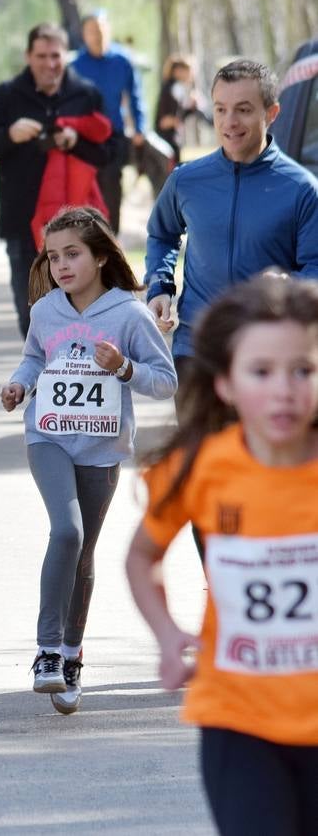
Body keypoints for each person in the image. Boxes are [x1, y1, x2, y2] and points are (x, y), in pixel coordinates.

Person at [127, 274, 318, 835]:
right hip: (238, 717)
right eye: (261, 372)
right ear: (226, 384)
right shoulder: (201, 467)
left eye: (303, 370)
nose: (283, 389)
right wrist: (166, 636)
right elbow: (142, 557)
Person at [0, 206, 176, 714]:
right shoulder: (46, 310)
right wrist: (19, 384)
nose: (61, 265)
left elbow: (165, 382)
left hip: (102, 448)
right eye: (53, 256)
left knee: (83, 553)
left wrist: (122, 367)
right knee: (67, 531)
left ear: (100, 256)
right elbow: (35, 357)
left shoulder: (128, 314)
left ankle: (73, 654)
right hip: (48, 437)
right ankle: (47, 651)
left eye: (72, 253)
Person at [146, 59, 318, 377]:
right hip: (195, 347)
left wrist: (289, 285)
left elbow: (315, 266)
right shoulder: (186, 180)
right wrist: (160, 285)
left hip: (267, 354)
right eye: (220, 109)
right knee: (198, 431)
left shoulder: (302, 189)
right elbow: (162, 235)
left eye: (243, 109)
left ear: (271, 113)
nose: (229, 122)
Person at [0, 23, 113, 339]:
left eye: (56, 57)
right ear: (28, 56)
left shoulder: (86, 95)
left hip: (79, 229)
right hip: (24, 225)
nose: (50, 65)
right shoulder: (6, 95)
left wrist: (76, 140)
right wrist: (9, 134)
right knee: (32, 314)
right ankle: (39, 384)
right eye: (41, 56)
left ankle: (74, 379)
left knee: (85, 319)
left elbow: (110, 152)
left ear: (66, 56)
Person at [70, 11, 146, 234]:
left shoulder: (122, 61)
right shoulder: (75, 66)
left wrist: (140, 127)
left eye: (102, 29)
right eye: (92, 30)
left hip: (114, 135)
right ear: (84, 34)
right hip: (84, 138)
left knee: (112, 187)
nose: (98, 35)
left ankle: (112, 239)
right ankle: (86, 240)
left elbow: (135, 96)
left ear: (109, 30)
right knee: (85, 189)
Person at [154, 54, 209, 166]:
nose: (191, 75)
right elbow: (166, 121)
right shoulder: (174, 87)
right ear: (179, 71)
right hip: (168, 139)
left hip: (168, 138)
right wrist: (191, 107)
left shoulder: (171, 86)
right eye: (189, 71)